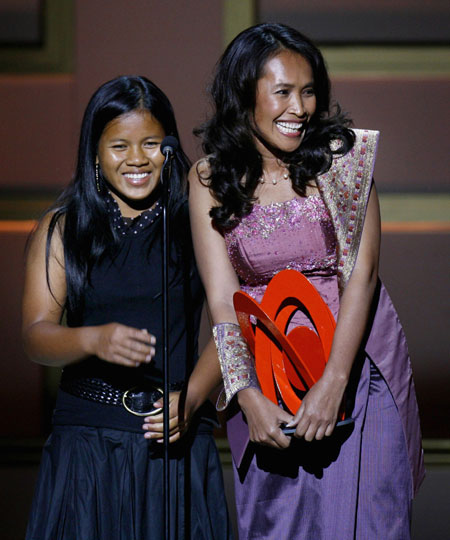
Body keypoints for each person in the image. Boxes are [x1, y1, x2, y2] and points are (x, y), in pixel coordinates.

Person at [188, 23, 425, 539]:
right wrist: (246, 395)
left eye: (310, 90)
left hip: (358, 369)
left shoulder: (343, 160)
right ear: (244, 94)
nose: (301, 107)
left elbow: (361, 275)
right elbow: (222, 302)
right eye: (283, 92)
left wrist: (336, 382)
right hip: (267, 376)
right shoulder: (208, 179)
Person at [23, 75, 232, 540]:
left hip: (175, 437)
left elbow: (230, 324)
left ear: (170, 148)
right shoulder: (63, 228)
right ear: (95, 152)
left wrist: (193, 398)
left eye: (151, 144)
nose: (137, 159)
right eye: (119, 145)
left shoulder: (197, 222)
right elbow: (37, 335)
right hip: (88, 444)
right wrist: (92, 338)